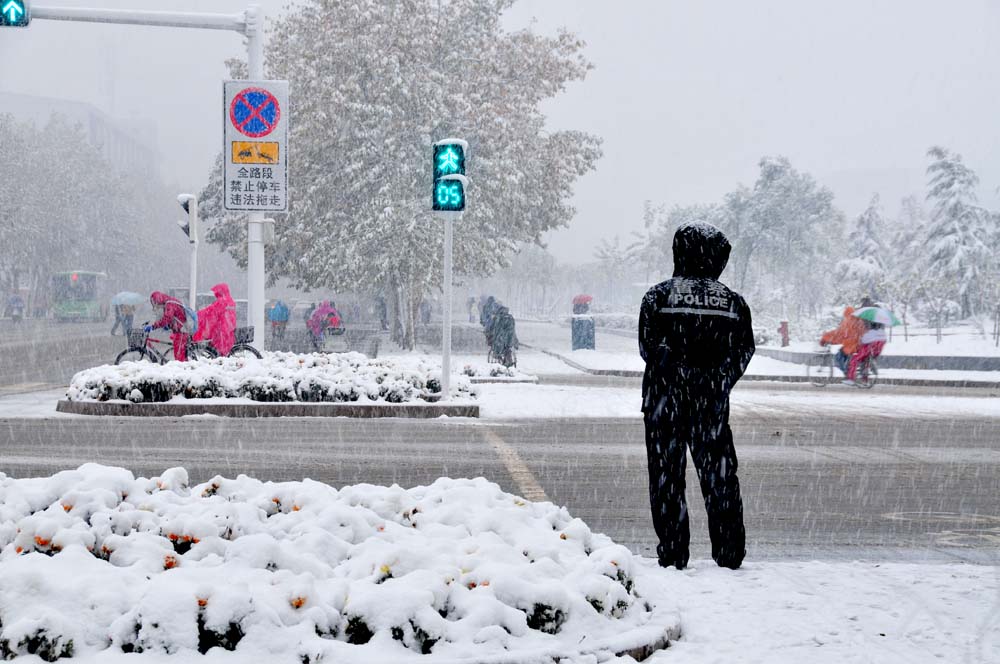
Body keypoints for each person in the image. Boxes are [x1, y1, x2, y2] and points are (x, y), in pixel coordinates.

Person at [638, 222, 755, 570]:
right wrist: (717, 380)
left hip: (663, 405)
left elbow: (648, 347)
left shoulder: (657, 297)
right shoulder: (732, 302)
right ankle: (729, 551)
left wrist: (676, 375)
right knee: (720, 479)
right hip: (712, 408)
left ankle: (674, 553)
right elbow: (744, 349)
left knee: (667, 479)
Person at [819, 297, 872, 376]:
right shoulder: (857, 320)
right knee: (844, 355)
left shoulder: (847, 322)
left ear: (845, 313)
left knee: (838, 357)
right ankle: (850, 369)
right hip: (857, 344)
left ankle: (847, 372)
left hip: (850, 346)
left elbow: (838, 334)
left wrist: (825, 338)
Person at [194, 283, 237, 356]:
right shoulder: (230, 301)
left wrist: (197, 314)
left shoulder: (221, 301)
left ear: (220, 292)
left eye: (216, 292)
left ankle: (218, 357)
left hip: (221, 328)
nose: (215, 294)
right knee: (221, 346)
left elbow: (210, 310)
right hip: (229, 328)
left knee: (215, 343)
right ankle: (219, 355)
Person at [145, 292, 188, 361]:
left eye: (156, 304)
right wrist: (169, 325)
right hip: (180, 330)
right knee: (179, 354)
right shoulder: (169, 302)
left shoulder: (169, 304)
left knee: (179, 358)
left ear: (158, 301)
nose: (157, 307)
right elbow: (174, 317)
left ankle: (183, 370)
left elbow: (167, 318)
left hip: (182, 331)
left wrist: (153, 327)